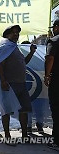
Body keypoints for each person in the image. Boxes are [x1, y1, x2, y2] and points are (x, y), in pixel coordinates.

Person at [0, 25, 36, 143]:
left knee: (24, 109)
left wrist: (32, 52)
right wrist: (3, 81)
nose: (16, 35)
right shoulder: (4, 47)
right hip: (9, 85)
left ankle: (24, 135)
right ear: (7, 35)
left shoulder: (14, 48)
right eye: (14, 33)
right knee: (7, 110)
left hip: (21, 84)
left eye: (17, 33)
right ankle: (7, 136)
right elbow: (0, 65)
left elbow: (24, 62)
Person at [21, 41, 44, 134]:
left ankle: (28, 126)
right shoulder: (38, 58)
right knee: (38, 108)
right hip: (38, 88)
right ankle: (39, 126)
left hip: (27, 89)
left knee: (27, 108)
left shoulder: (22, 58)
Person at [44, 19, 59, 150]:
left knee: (57, 110)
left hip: (57, 81)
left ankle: (57, 141)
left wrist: (47, 75)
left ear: (57, 27)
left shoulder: (53, 41)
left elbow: (50, 58)